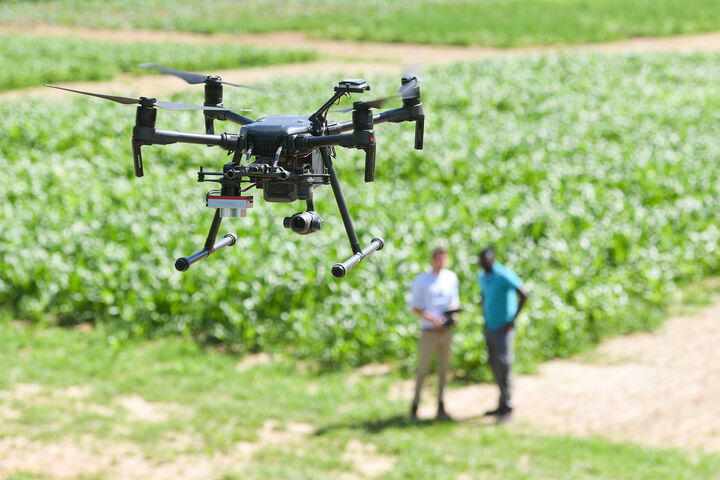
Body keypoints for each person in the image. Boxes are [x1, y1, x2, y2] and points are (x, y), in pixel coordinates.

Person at [408, 247, 460, 420]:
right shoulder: (422, 281)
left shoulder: (451, 278)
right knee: (423, 369)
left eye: (443, 258)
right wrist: (434, 319)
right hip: (429, 331)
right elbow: (415, 306)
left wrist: (453, 316)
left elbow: (454, 300)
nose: (441, 262)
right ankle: (415, 405)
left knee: (444, 369)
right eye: (438, 258)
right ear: (432, 260)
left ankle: (441, 405)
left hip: (446, 331)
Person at [478, 246, 528, 421]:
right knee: (495, 365)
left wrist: (511, 320)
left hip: (503, 328)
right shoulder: (483, 276)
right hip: (490, 326)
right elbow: (484, 296)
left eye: (488, 259)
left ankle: (508, 406)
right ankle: (501, 402)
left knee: (505, 365)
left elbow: (524, 294)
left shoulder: (503, 274)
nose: (486, 262)